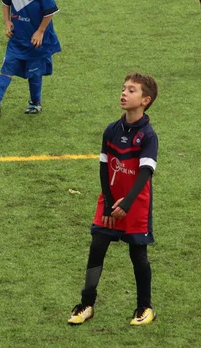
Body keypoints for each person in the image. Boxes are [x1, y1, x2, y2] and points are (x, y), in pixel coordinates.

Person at [68, 73, 159, 326]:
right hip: (108, 201)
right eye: (123, 89)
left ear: (145, 100)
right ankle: (86, 304)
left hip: (135, 205)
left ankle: (144, 307)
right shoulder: (111, 130)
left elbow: (146, 172)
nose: (124, 93)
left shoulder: (148, 136)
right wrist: (108, 202)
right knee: (97, 247)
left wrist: (127, 203)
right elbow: (103, 166)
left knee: (138, 255)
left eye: (131, 90)